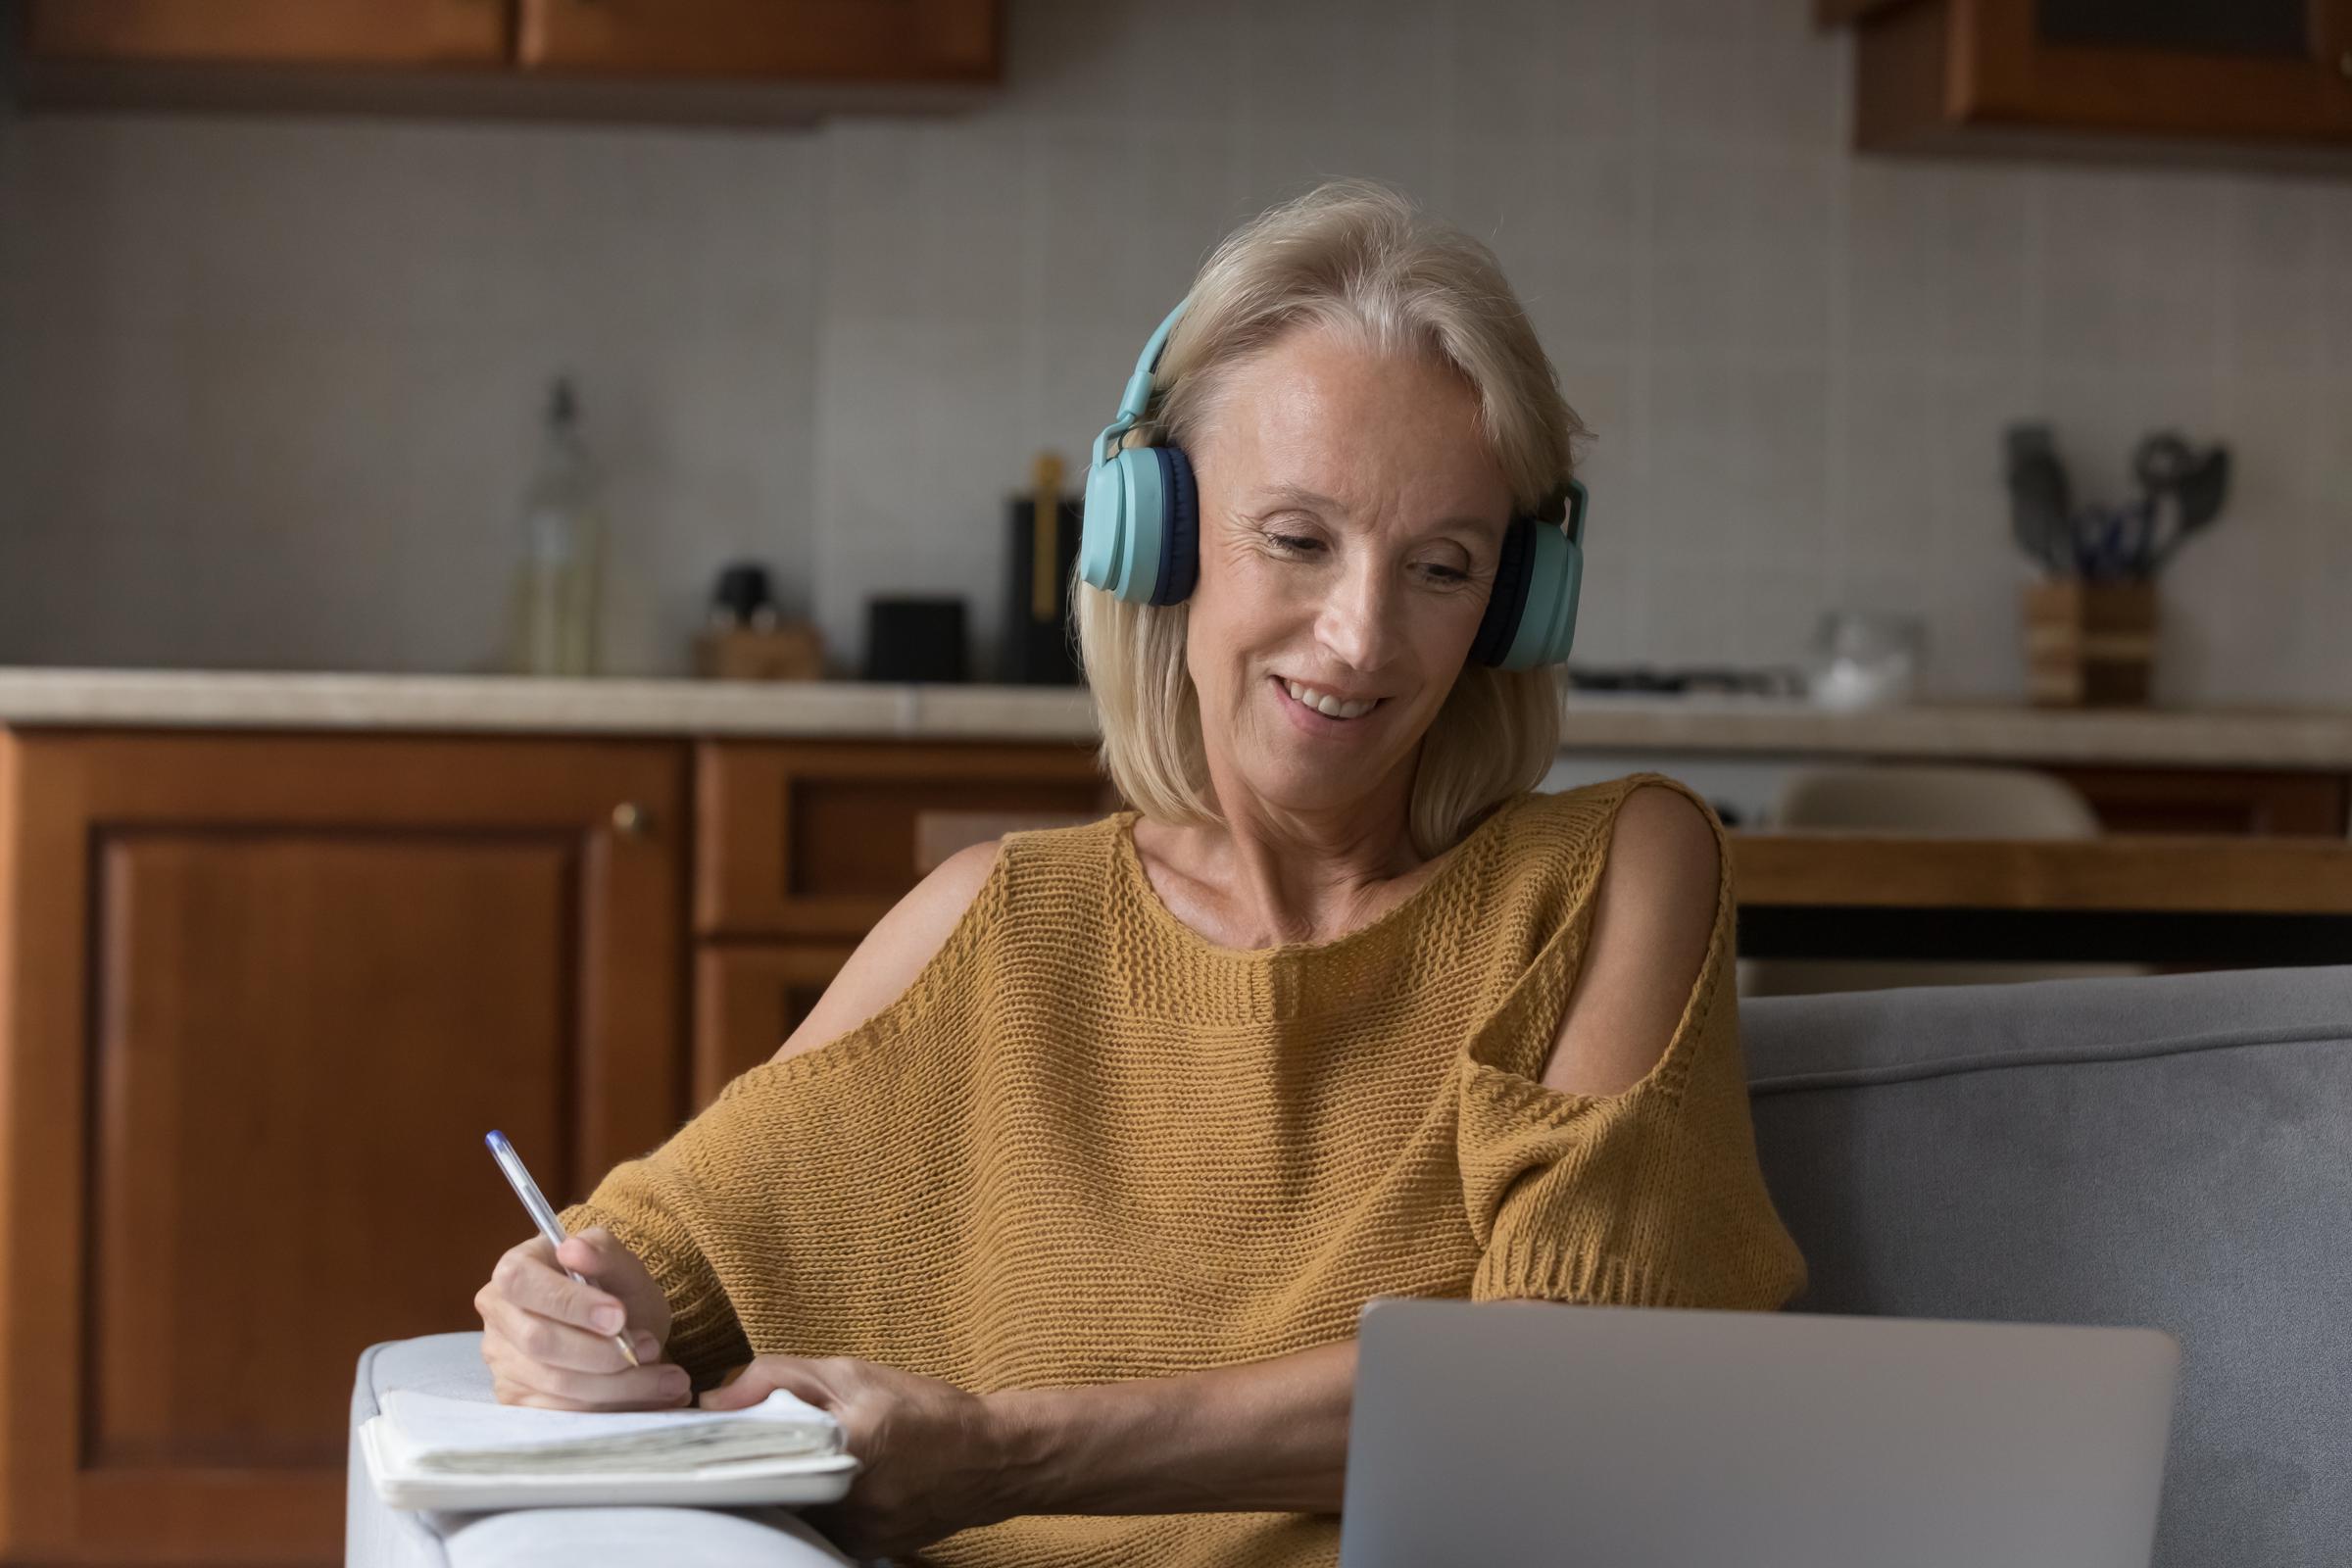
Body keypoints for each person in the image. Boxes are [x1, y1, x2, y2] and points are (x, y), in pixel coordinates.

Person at [471, 177, 1805, 1567]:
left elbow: (1562, 1391)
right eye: (1297, 539)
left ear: (1516, 604)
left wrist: (1009, 1452)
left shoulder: (1607, 880)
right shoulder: (993, 923)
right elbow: (650, 1260)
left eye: (1444, 568)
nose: (1360, 638)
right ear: (1156, 537)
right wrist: (561, 1310)